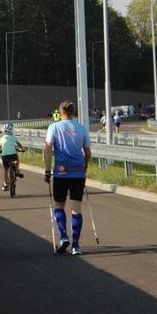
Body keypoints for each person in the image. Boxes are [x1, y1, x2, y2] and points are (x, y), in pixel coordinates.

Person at [44, 100, 92, 255]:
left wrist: (47, 170)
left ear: (60, 112)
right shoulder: (82, 129)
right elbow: (88, 153)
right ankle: (76, 245)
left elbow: (48, 149)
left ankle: (64, 236)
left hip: (61, 172)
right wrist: (84, 166)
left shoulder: (54, 127)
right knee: (76, 210)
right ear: (73, 112)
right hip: (78, 172)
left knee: (59, 205)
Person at [0, 123, 25, 191]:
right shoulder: (13, 137)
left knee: (5, 170)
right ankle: (17, 170)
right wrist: (22, 149)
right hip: (13, 155)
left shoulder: (2, 138)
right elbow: (19, 145)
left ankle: (5, 184)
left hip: (5, 156)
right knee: (17, 159)